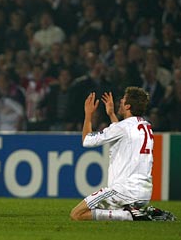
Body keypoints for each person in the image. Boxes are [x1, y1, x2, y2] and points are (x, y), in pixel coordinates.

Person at [69, 87, 176, 221]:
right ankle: (136, 213)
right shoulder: (145, 125)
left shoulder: (122, 127)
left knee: (76, 214)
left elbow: (87, 140)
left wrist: (88, 115)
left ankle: (131, 215)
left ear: (128, 106)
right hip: (143, 194)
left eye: (123, 100)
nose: (120, 101)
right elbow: (123, 134)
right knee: (101, 212)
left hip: (123, 191)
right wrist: (111, 114)